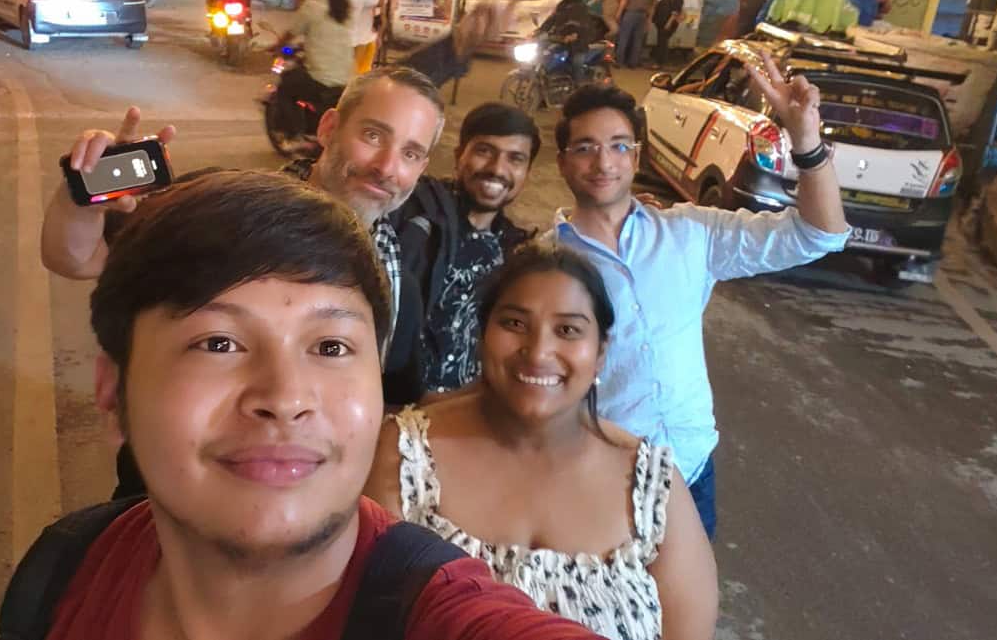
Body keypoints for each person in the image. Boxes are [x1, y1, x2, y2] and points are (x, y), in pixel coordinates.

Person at [37, 171, 607, 640]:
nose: (285, 399)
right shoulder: (62, 573)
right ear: (112, 389)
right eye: (218, 343)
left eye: (331, 347)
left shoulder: (446, 616)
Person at [41, 66, 447, 497]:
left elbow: (393, 402)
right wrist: (84, 196)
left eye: (410, 153)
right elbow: (76, 257)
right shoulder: (219, 213)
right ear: (329, 128)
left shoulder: (399, 281)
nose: (386, 167)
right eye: (373, 135)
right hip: (167, 499)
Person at [543, 61, 850, 538]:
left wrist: (806, 140)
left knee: (691, 589)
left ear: (638, 157)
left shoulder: (690, 233)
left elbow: (818, 235)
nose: (604, 163)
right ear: (562, 162)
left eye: (619, 146)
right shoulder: (543, 263)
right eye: (585, 148)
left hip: (690, 471)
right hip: (596, 479)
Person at [365, 242, 718, 640]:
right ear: (482, 335)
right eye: (514, 323)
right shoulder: (405, 455)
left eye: (567, 330)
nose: (538, 352)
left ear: (601, 352)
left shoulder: (653, 489)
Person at [391, 103, 540, 393]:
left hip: (468, 409)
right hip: (397, 402)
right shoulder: (414, 214)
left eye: (515, 159)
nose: (497, 168)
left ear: (527, 173)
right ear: (459, 155)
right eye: (484, 151)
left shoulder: (515, 252)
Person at [274, 0, 358, 136]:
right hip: (346, 79)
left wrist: (276, 47)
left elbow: (289, 36)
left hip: (320, 80)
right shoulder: (345, 9)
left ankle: (296, 134)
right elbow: (329, 38)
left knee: (285, 87)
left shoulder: (312, 7)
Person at [404, 0, 524, 88]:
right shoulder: (444, 48)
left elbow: (492, 30)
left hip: (447, 57)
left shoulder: (461, 50)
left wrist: (513, 2)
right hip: (436, 60)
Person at [537, 0, 608, 86]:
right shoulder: (562, 6)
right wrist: (539, 30)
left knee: (576, 64)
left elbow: (583, 25)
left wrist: (575, 35)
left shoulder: (582, 8)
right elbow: (552, 19)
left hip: (578, 43)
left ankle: (580, 87)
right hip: (561, 40)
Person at [346, 0, 384, 75]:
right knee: (362, 72)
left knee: (352, 72)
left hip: (353, 35)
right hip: (367, 36)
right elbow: (380, 9)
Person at [615, 0, 657, 69]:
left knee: (624, 38)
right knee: (637, 40)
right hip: (643, 16)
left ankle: (619, 62)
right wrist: (649, 19)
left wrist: (619, 12)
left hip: (631, 13)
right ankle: (633, 63)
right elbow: (652, 5)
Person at [651, 0, 684, 67]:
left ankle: (659, 63)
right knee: (661, 42)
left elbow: (675, 12)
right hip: (661, 22)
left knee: (662, 43)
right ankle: (659, 61)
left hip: (668, 23)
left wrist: (669, 23)